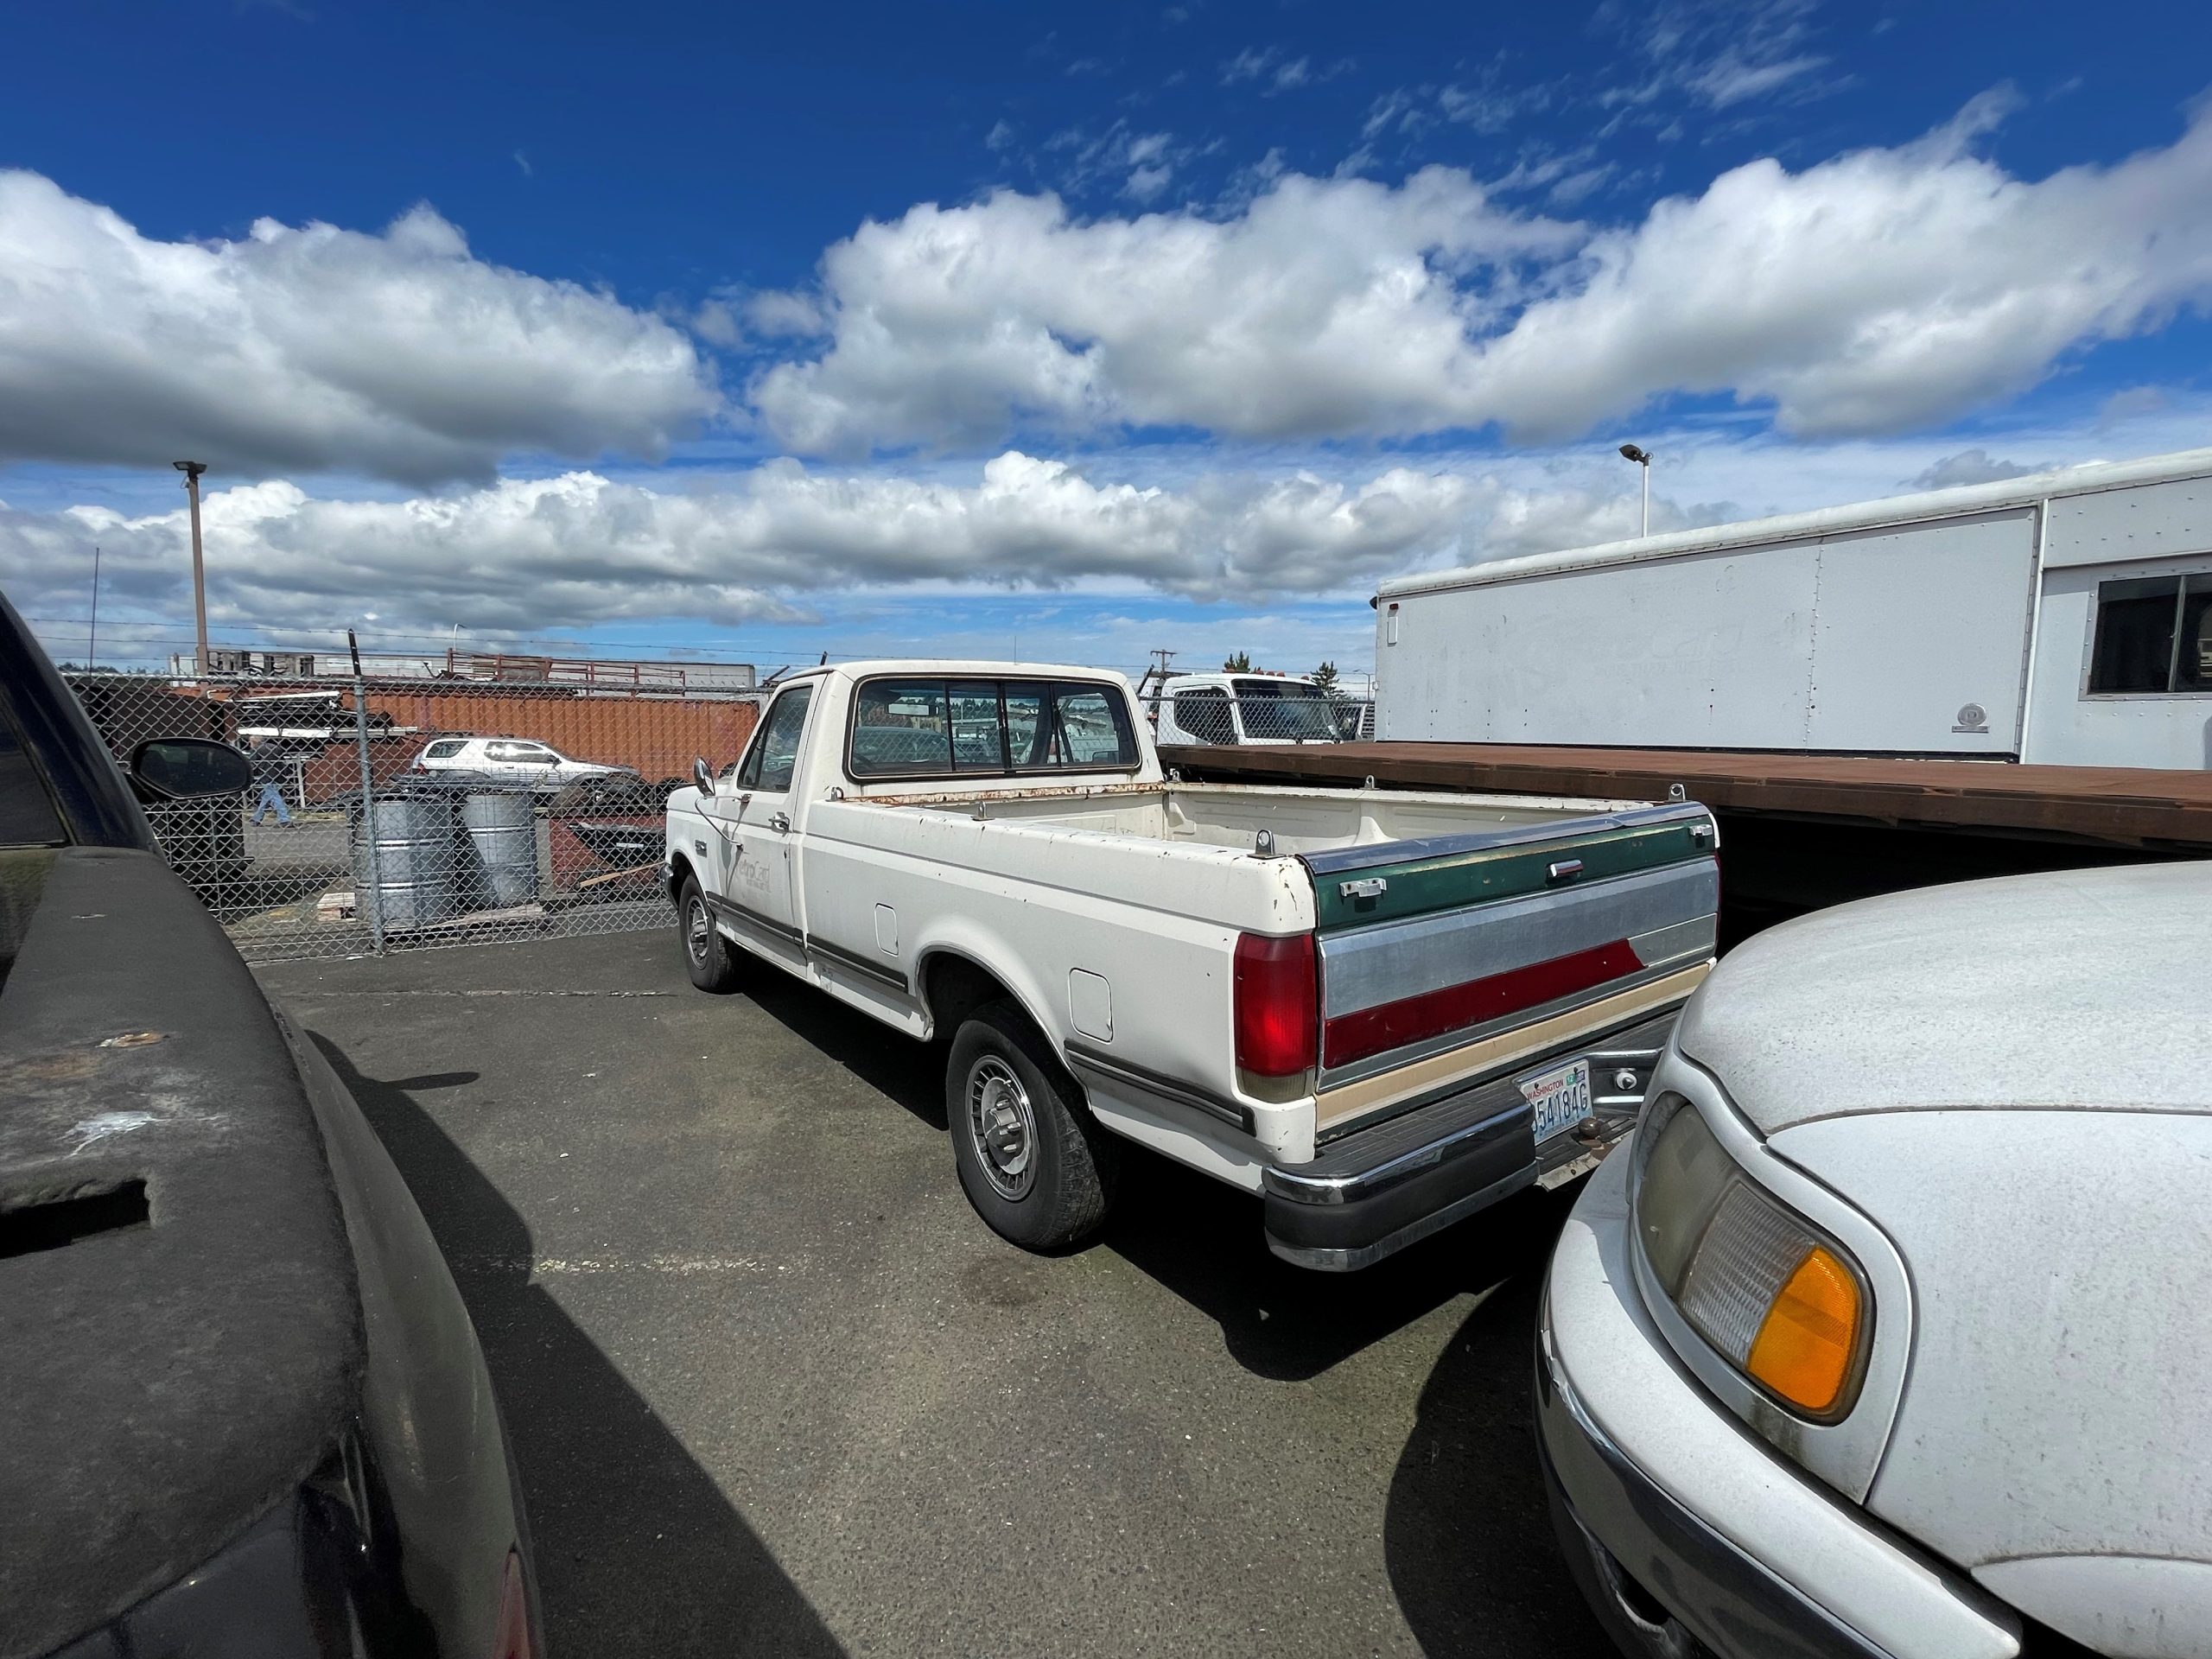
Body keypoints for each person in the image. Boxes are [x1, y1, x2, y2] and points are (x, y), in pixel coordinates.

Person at [248, 739, 295, 826]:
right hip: (279, 774)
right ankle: (257, 818)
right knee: (267, 796)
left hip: (266, 775)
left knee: (274, 796)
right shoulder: (276, 748)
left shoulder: (256, 750)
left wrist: (250, 774)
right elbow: (282, 761)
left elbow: (253, 764)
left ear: (253, 742)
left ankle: (284, 819)